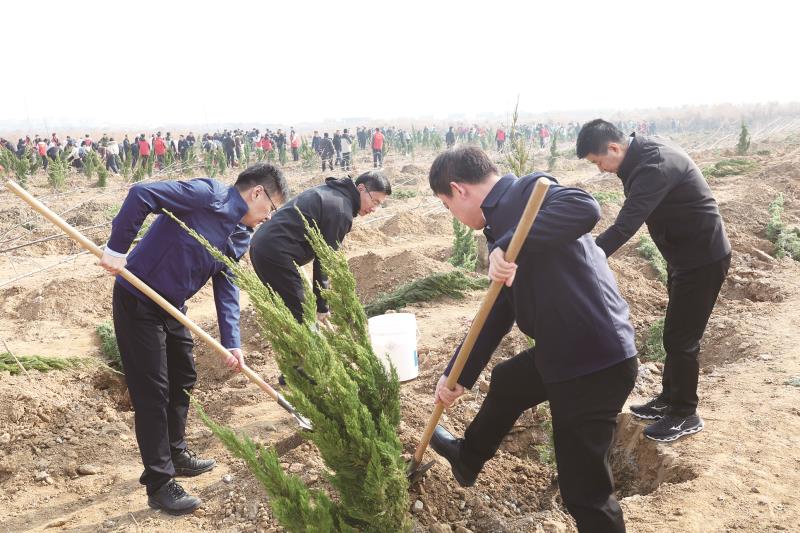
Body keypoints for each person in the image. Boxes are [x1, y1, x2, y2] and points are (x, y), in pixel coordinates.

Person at [426, 146, 637, 533]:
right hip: (566, 352)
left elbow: (585, 207)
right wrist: (458, 374)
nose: (453, 215)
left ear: (459, 190)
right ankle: (467, 459)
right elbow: (497, 312)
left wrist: (508, 243)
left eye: (446, 205)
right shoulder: (498, 225)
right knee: (509, 381)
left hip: (594, 363)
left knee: (585, 492)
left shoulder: (527, 191)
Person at [98, 163, 289, 515]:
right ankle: (159, 483)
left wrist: (233, 342)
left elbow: (227, 286)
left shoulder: (240, 235)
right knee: (153, 391)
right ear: (257, 193)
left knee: (183, 376)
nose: (268, 217)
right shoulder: (208, 196)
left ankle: (175, 452)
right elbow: (142, 194)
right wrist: (116, 248)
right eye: (272, 208)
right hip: (138, 299)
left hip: (173, 307)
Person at [576, 119, 731, 442]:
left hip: (702, 259)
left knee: (681, 339)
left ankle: (684, 413)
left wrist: (584, 260)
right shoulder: (640, 154)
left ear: (614, 148)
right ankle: (669, 399)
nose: (600, 169)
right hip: (683, 256)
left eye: (598, 161)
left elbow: (624, 226)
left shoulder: (654, 166)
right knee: (675, 334)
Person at [249, 170, 390, 325]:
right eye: (374, 201)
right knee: (305, 316)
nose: (374, 209)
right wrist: (322, 305)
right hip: (275, 253)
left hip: (263, 246)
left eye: (379, 205)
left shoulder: (335, 194)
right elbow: (324, 259)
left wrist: (320, 301)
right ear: (361, 188)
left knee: (292, 313)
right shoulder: (341, 210)